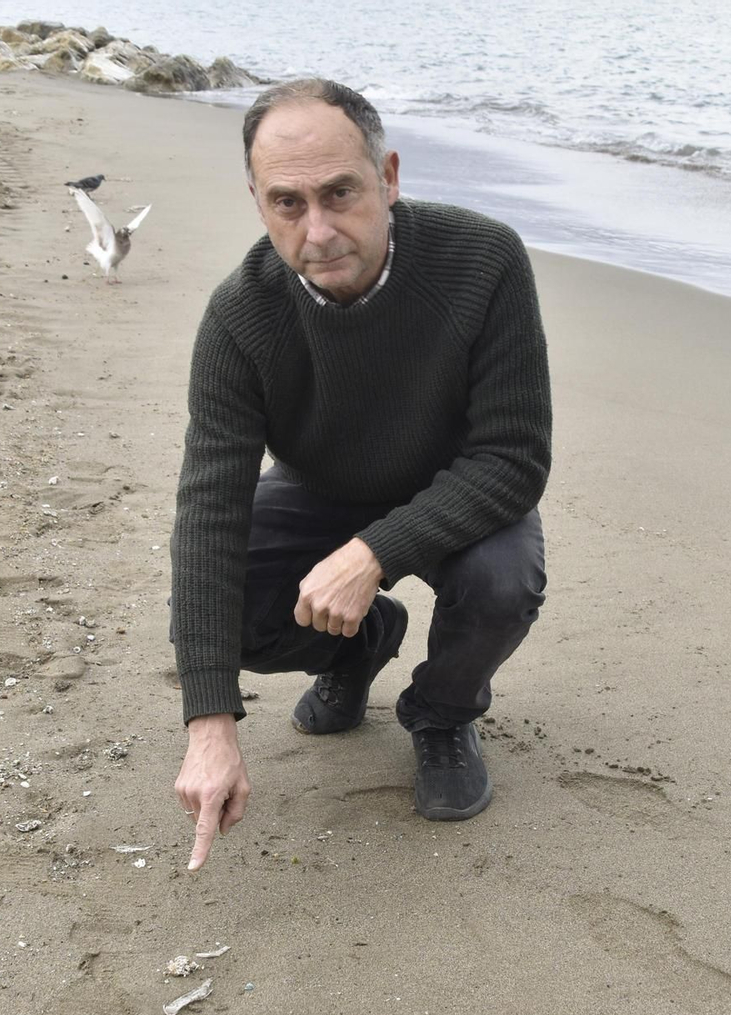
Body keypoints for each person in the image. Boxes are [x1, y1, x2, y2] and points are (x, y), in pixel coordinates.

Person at [170, 79, 552, 871]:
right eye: (287, 202)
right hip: (322, 488)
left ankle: (441, 713)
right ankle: (359, 646)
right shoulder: (241, 317)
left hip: (463, 484)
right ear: (257, 201)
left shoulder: (484, 260)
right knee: (218, 597)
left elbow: (512, 460)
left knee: (503, 581)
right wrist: (210, 724)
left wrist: (372, 553)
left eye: (341, 192)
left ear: (390, 177)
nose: (317, 230)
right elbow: (209, 512)